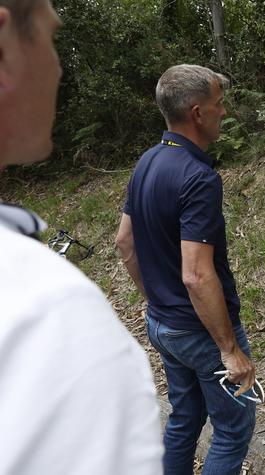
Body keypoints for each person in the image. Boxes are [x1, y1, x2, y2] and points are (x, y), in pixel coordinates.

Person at [0, 1, 163, 474]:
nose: (59, 67)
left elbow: (123, 239)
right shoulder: (46, 314)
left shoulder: (147, 164)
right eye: (52, 40)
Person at [115, 64, 255, 475]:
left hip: (163, 325)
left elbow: (125, 243)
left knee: (185, 417)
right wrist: (229, 350)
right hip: (200, 333)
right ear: (197, 113)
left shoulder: (147, 161)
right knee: (233, 429)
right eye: (218, 104)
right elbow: (196, 274)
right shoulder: (199, 177)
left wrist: (154, 301)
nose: (224, 113)